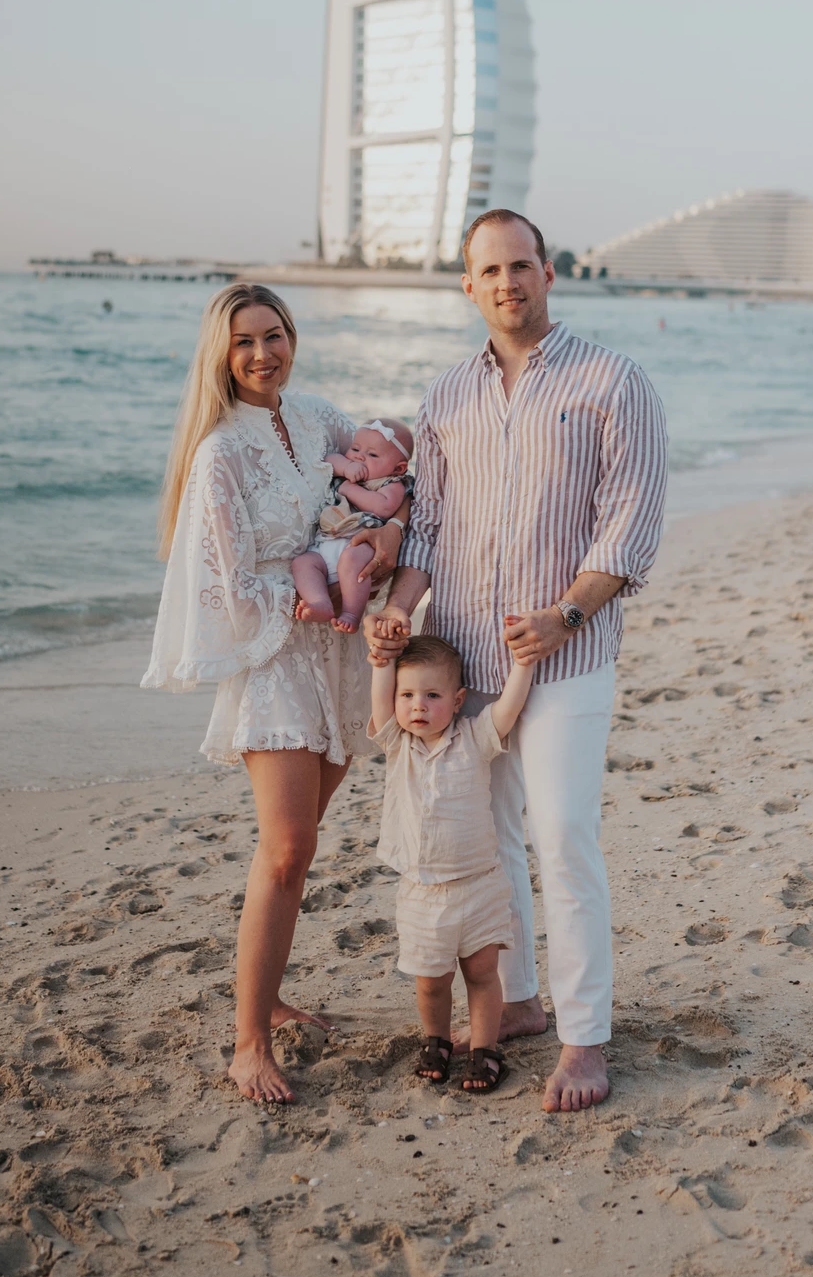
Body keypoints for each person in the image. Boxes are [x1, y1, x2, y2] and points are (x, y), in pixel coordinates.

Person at [365, 211, 668, 1113]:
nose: (507, 283)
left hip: (567, 659)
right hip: (462, 659)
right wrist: (396, 607)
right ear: (468, 285)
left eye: (521, 266)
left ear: (547, 273)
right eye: (488, 270)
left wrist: (566, 613)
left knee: (562, 838)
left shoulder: (615, 381)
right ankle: (523, 1001)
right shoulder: (446, 394)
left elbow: (631, 520)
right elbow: (427, 525)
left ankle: (584, 1040)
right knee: (488, 843)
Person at [143, 283, 406, 1104]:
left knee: (299, 850)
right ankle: (248, 1040)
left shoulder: (325, 418)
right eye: (244, 342)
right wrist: (299, 600)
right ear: (220, 355)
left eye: (274, 334)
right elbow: (221, 583)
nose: (263, 353)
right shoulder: (219, 452)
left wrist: (382, 541)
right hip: (277, 663)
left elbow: (386, 486)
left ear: (292, 338)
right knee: (285, 850)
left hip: (338, 657)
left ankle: (272, 997)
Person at [368, 632, 534, 1093]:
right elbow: (382, 702)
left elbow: (508, 709)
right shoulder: (399, 745)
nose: (417, 705)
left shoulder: (475, 737)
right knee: (431, 982)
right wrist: (383, 659)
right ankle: (436, 1040)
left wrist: (523, 663)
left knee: (482, 975)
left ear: (459, 700)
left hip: (479, 885)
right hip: (421, 892)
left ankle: (484, 1050)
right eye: (408, 695)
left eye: (432, 695)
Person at [291, 417, 413, 634]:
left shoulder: (392, 483)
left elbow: (383, 507)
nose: (359, 456)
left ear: (398, 468)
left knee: (351, 560)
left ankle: (351, 613)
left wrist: (349, 489)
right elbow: (329, 459)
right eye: (355, 448)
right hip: (326, 544)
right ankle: (320, 602)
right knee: (304, 563)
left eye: (372, 454)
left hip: (359, 545)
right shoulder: (348, 469)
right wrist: (346, 467)